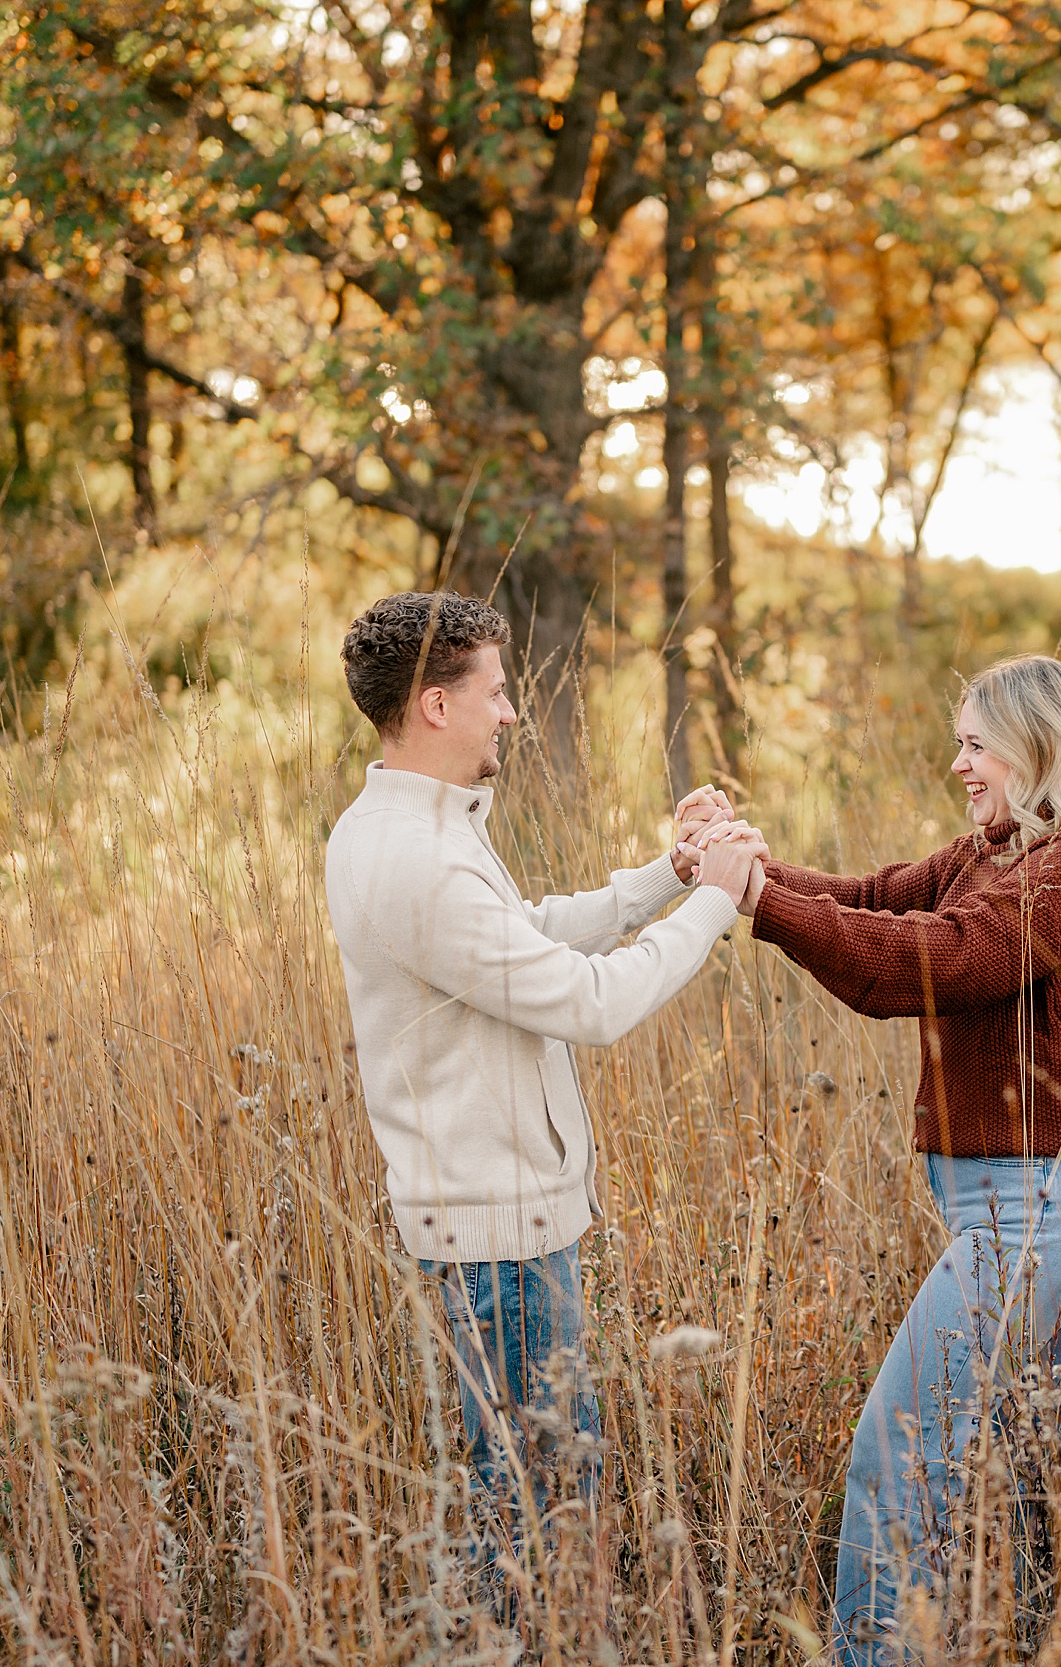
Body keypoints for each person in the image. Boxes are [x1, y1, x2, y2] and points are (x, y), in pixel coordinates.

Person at [321, 591, 759, 1583]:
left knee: (520, 1493)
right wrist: (716, 903)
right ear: (437, 706)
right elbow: (594, 1002)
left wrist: (669, 873)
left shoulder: (407, 828)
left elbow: (523, 934)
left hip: (499, 1221)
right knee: (539, 1508)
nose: (509, 711)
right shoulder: (419, 857)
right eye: (496, 690)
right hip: (496, 1233)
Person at [734, 654, 1061, 1667]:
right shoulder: (991, 851)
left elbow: (931, 963)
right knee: (1000, 1467)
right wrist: (743, 863)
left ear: (1036, 742)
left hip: (1044, 1206)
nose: (957, 762)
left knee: (897, 1454)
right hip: (1008, 1205)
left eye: (975, 743)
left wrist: (755, 897)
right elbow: (871, 896)